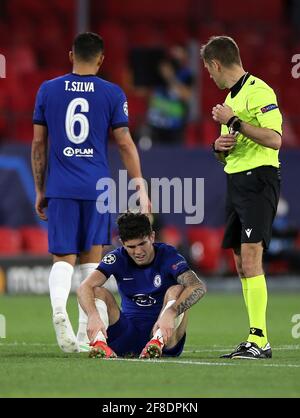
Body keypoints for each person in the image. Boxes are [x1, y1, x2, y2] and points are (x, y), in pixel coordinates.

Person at [31, 32, 149, 353]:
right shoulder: (111, 93)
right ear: (101, 59)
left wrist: (41, 188)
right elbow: (124, 142)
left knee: (62, 258)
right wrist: (139, 183)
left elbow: (39, 144)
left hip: (60, 185)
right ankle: (85, 333)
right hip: (96, 186)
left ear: (71, 55)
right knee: (92, 262)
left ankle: (59, 311)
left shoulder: (48, 89)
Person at [200, 36, 282, 359]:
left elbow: (275, 139)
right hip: (236, 182)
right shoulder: (231, 99)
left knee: (251, 258)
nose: (209, 76)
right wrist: (218, 149)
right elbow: (230, 151)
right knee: (239, 263)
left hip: (259, 180)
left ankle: (259, 338)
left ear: (217, 64)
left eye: (209, 70)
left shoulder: (259, 91)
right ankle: (254, 336)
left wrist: (233, 122)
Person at [77, 212, 206, 359]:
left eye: (142, 244)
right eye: (131, 246)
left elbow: (197, 286)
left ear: (152, 236)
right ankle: (100, 344)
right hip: (125, 336)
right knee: (97, 291)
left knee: (176, 289)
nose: (138, 252)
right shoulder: (117, 257)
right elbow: (84, 287)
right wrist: (93, 315)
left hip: (165, 335)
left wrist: (171, 312)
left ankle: (157, 342)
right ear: (122, 242)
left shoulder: (168, 255)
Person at [146, 45, 194, 145]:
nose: (176, 56)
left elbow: (186, 96)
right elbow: (148, 94)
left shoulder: (187, 75)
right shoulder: (157, 75)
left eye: (179, 53)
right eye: (174, 53)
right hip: (156, 124)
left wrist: (170, 77)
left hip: (175, 125)